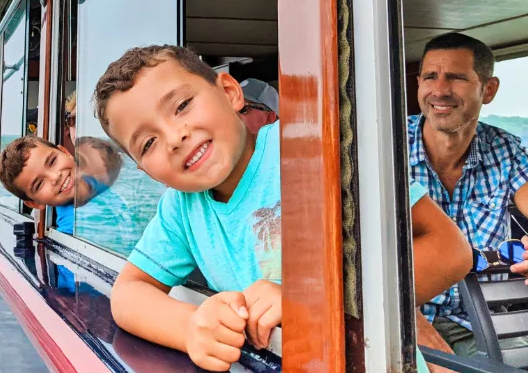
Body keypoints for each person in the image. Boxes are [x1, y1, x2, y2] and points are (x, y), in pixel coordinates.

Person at [93, 45, 470, 372]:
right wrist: (191, 327)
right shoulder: (181, 209)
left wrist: (310, 300)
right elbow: (128, 294)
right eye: (148, 143)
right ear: (148, 173)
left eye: (182, 105)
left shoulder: (311, 148)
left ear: (228, 92)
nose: (174, 137)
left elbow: (449, 250)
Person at [409, 32, 528, 357]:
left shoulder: (503, 150)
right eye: (430, 76)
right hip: (405, 316)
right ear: (418, 84)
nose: (440, 90)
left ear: (488, 90)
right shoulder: (387, 150)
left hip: (481, 317)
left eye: (456, 78)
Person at [0, 134, 123, 235]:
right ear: (35, 203)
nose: (55, 177)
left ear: (65, 152)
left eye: (52, 161)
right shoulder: (71, 230)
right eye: (39, 184)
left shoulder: (95, 183)